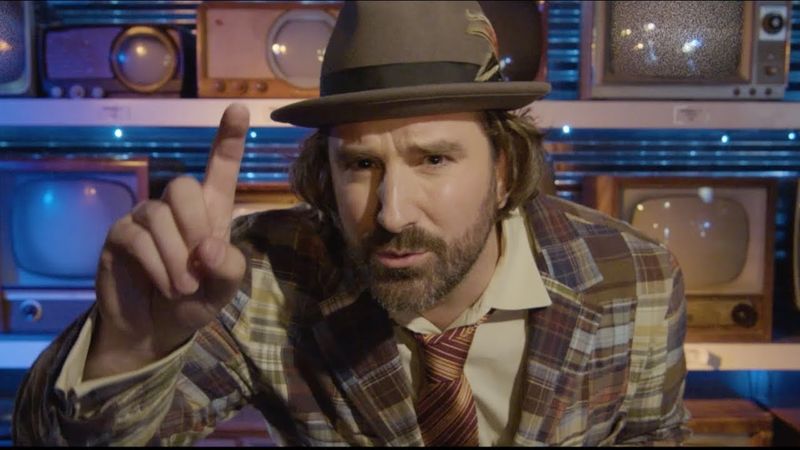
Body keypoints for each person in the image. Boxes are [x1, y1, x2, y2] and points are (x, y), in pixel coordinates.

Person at [13, 1, 690, 446]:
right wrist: (129, 349)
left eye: (433, 159)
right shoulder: (258, 279)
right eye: (361, 164)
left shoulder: (637, 278)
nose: (391, 213)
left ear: (504, 170)